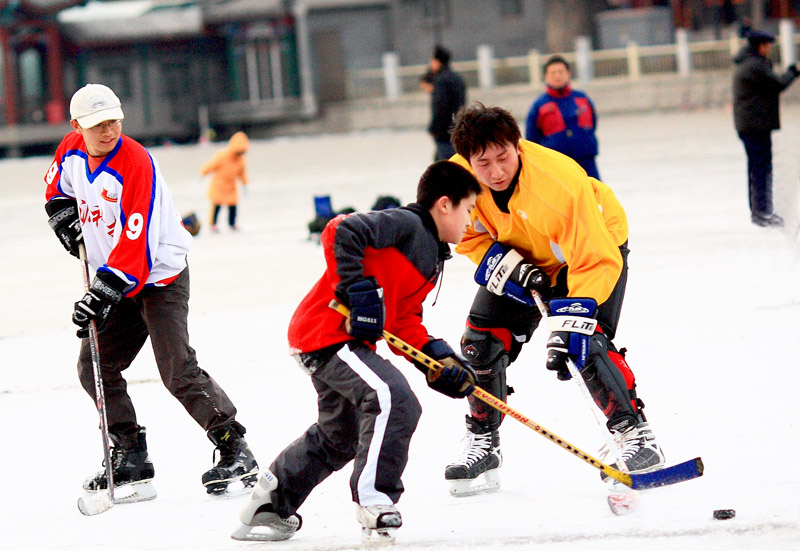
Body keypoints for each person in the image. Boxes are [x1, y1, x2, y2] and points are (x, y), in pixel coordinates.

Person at [231, 161, 482, 544]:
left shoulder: (431, 257)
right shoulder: (407, 224)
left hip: (338, 341)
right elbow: (341, 230)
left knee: (340, 436)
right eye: (469, 210)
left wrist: (440, 360)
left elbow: (403, 324)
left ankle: (271, 501)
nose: (470, 222)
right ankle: (375, 499)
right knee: (391, 397)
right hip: (328, 332)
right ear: (444, 204)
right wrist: (358, 291)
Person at [43, 84, 259, 501]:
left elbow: (136, 242)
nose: (108, 131)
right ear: (76, 127)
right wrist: (63, 216)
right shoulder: (70, 151)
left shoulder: (135, 163)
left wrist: (101, 293)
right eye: (97, 125)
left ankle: (236, 448)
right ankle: (130, 456)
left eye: (114, 121)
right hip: (117, 278)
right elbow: (55, 188)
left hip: (159, 278)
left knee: (177, 370)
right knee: (95, 366)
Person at [442, 103, 665, 496]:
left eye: (503, 157)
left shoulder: (560, 183)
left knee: (584, 341)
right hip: (523, 254)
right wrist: (503, 264)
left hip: (592, 250)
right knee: (481, 343)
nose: (495, 172)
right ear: (467, 160)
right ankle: (484, 442)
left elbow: (594, 258)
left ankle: (637, 437)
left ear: (518, 145)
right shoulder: (458, 181)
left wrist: (573, 319)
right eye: (483, 163)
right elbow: (467, 235)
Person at [732, 29, 799, 227]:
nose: (769, 50)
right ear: (760, 46)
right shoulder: (755, 65)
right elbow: (777, 84)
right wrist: (793, 72)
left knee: (756, 168)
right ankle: (763, 212)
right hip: (756, 125)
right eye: (768, 46)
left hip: (751, 125)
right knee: (761, 168)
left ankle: (759, 211)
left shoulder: (747, 63)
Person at [525, 55, 601, 180]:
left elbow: (593, 123)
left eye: (561, 72)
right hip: (556, 165)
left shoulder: (582, 98)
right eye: (553, 73)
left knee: (595, 195)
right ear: (545, 76)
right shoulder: (539, 105)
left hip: (586, 162)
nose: (557, 76)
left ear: (569, 73)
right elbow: (532, 138)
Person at [200, 130, 250, 232]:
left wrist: (245, 183)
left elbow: (242, 173)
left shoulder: (241, 160)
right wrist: (203, 172)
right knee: (216, 205)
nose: (239, 155)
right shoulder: (222, 155)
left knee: (233, 206)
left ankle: (232, 223)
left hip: (231, 186)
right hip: (219, 184)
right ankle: (213, 224)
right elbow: (211, 165)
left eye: (241, 152)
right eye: (238, 152)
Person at [427, 45, 467, 161]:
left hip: (444, 132)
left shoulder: (441, 80)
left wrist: (434, 128)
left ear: (438, 61)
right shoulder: (457, 78)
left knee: (447, 166)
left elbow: (440, 106)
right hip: (457, 127)